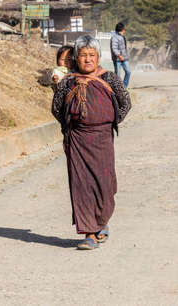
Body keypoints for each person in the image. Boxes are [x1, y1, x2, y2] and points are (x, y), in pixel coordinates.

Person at [52, 35, 131, 250]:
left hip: (103, 138)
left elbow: (125, 103)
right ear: (77, 58)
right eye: (84, 55)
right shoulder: (68, 81)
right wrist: (72, 127)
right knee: (81, 185)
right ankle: (89, 233)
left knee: (106, 185)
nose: (88, 60)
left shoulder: (110, 78)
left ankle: (102, 222)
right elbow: (56, 108)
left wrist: (107, 122)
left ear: (98, 57)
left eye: (92, 55)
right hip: (78, 139)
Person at [110, 22, 131, 88]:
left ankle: (124, 87)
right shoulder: (114, 38)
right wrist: (119, 55)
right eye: (124, 29)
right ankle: (117, 88)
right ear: (122, 29)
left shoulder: (122, 37)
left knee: (128, 72)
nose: (124, 30)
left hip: (125, 59)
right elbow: (114, 48)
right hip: (117, 60)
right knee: (117, 75)